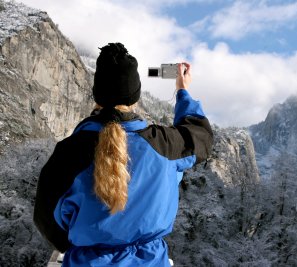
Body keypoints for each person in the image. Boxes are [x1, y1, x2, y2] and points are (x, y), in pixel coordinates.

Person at [33, 42, 213, 266]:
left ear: (96, 96)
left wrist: (77, 245)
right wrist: (183, 90)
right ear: (135, 98)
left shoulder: (68, 152)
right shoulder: (165, 145)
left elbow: (46, 219)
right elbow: (201, 136)